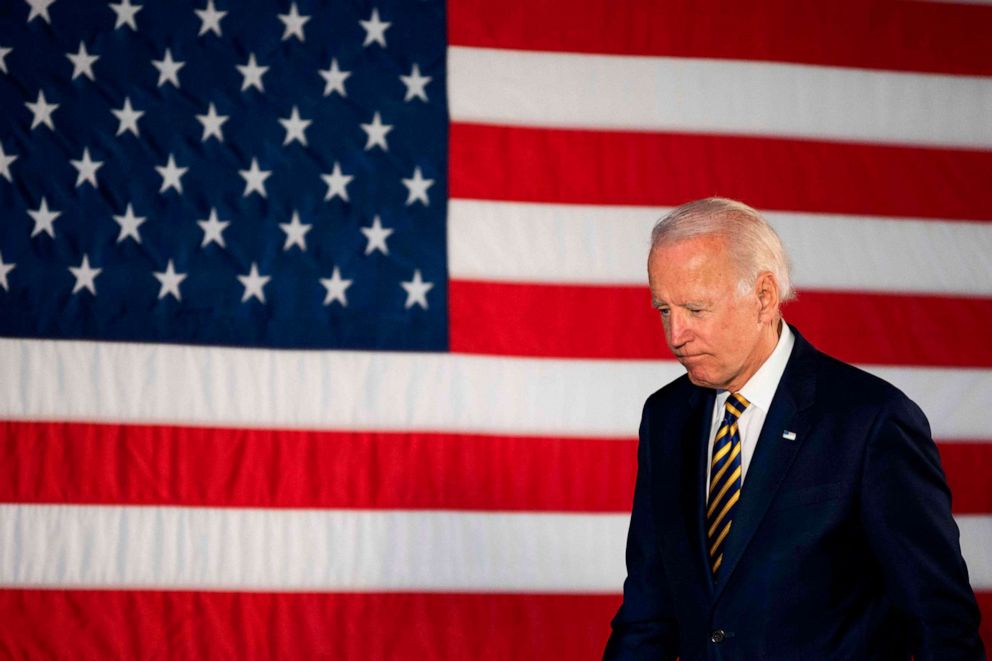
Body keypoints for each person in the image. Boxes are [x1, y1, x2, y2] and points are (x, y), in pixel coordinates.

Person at [604, 198, 984, 660]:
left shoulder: (871, 420)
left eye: (696, 309)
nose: (675, 335)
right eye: (664, 310)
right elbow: (647, 611)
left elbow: (940, 623)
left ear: (764, 296)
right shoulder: (666, 416)